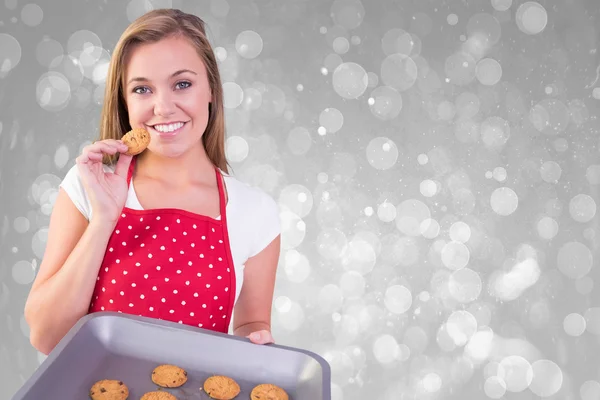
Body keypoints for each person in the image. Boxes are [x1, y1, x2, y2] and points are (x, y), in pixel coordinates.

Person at [24, 8, 282, 355]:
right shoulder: (88, 186)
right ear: (125, 102)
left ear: (211, 90)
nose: (162, 107)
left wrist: (260, 344)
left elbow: (251, 326)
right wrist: (103, 220)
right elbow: (46, 336)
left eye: (182, 84)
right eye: (143, 89)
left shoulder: (255, 211)